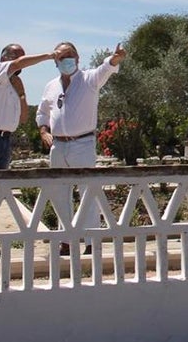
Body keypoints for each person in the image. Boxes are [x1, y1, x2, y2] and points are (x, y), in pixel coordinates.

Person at [0, 43, 59, 260]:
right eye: (16, 57)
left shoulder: (12, 86)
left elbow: (23, 118)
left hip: (3, 140)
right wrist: (48, 55)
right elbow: (17, 64)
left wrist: (22, 94)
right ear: (4, 57)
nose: (19, 63)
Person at [36, 41, 126, 255]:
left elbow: (106, 68)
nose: (67, 60)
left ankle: (90, 242)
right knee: (59, 193)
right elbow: (42, 112)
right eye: (61, 56)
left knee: (88, 192)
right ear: (55, 61)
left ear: (77, 59)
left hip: (82, 143)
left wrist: (115, 58)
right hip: (58, 146)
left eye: (70, 55)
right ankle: (66, 241)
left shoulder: (89, 80)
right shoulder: (51, 86)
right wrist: (43, 131)